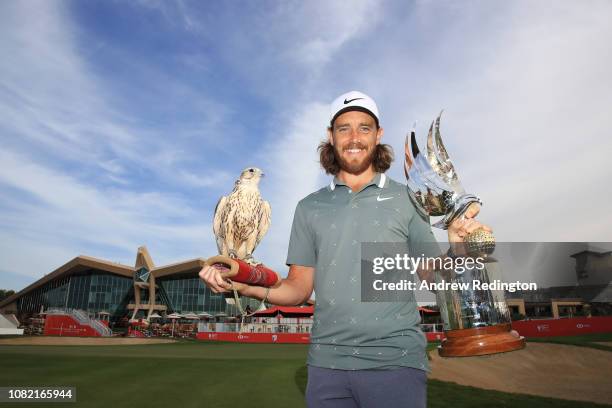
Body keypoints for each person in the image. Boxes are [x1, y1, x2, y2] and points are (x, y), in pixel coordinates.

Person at [199, 90, 491, 408]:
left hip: (395, 362)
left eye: (364, 127)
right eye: (344, 128)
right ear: (331, 136)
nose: (354, 137)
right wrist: (242, 284)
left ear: (378, 135)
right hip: (327, 366)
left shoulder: (408, 199)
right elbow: (297, 289)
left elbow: (435, 279)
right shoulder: (309, 207)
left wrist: (459, 249)